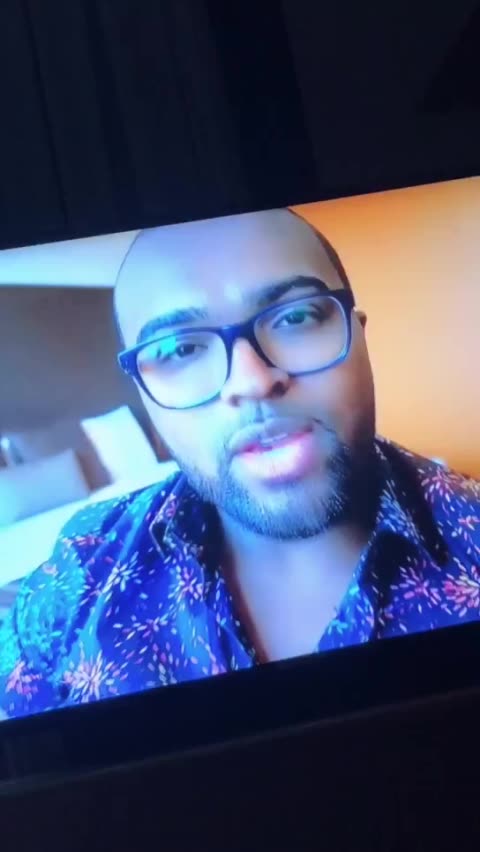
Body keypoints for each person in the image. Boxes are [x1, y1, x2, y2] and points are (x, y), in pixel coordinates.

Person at [0, 208, 479, 719]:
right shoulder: (78, 569)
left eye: (296, 317)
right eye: (180, 348)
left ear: (359, 335)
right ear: (144, 396)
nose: (251, 382)